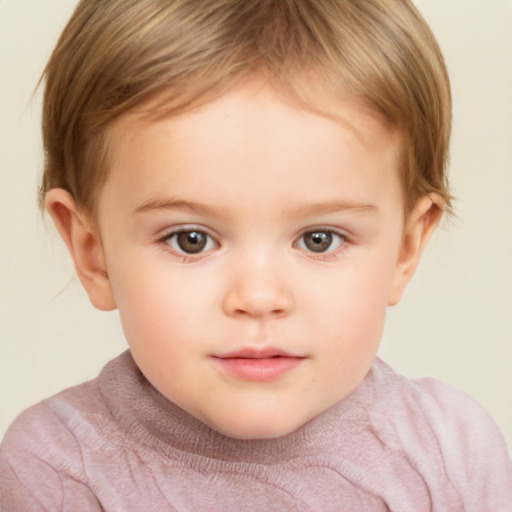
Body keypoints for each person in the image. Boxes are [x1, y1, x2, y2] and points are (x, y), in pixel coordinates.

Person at [1, 0, 511, 509]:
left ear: (405, 248)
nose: (259, 297)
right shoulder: (56, 471)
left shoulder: (454, 457)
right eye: (190, 240)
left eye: (320, 239)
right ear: (94, 253)